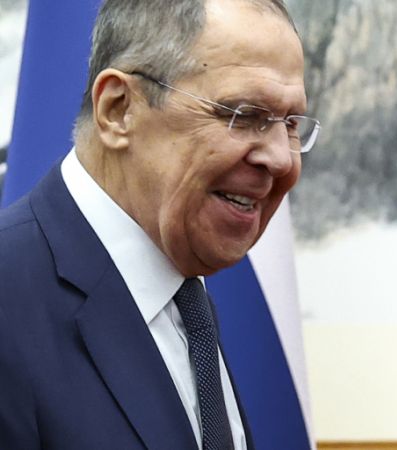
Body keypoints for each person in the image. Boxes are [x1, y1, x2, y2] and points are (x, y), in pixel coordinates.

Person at [0, 0, 320, 448]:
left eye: (290, 124)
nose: (281, 158)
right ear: (118, 109)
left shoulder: (186, 297)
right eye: (244, 115)